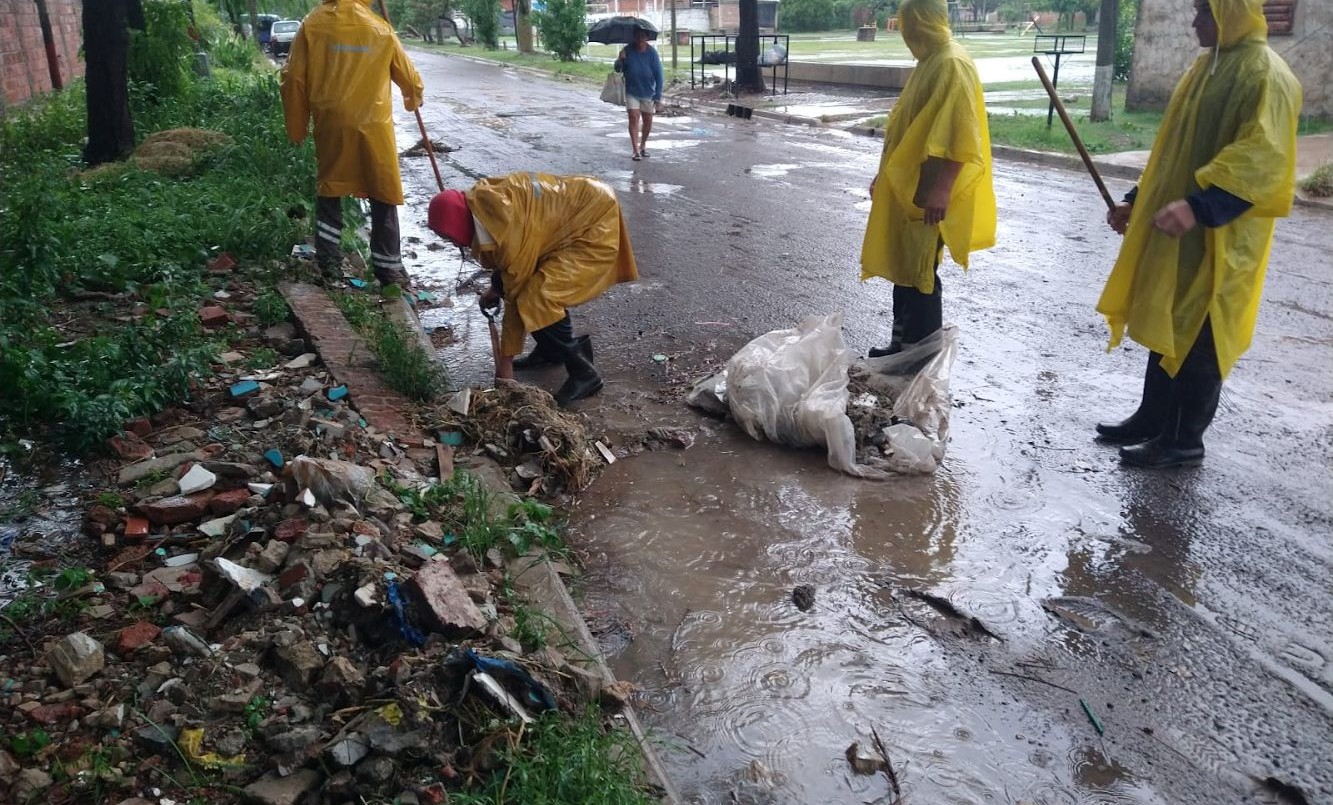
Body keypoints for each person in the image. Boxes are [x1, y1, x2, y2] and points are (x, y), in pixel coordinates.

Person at [1096, 0, 1301, 469]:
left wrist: (1200, 207)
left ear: (1230, 13)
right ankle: (1153, 419)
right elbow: (1173, 150)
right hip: (1181, 228)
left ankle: (1184, 439)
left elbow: (1263, 161)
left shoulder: (1266, 75)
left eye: (1203, 12)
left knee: (1201, 334)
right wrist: (1136, 197)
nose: (1194, 22)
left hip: (1223, 240)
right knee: (1167, 320)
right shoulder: (1204, 69)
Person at [426, 173, 639, 406]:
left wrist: (504, 367)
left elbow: (516, 283)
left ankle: (584, 373)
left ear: (460, 222)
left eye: (450, 236)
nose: (454, 243)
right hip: (573, 214)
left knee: (539, 295)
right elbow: (512, 263)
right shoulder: (483, 206)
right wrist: (496, 289)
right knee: (533, 288)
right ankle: (551, 352)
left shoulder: (506, 223)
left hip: (593, 220)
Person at [859, 0, 995, 359]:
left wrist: (943, 189)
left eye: (911, 26)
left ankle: (920, 355)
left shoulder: (952, 63)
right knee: (904, 264)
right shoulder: (930, 60)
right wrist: (883, 177)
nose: (907, 35)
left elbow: (961, 136)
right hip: (909, 188)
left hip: (929, 191)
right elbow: (906, 128)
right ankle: (901, 344)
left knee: (921, 271)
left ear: (924, 22)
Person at [281, 0, 424, 288]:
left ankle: (330, 266)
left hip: (332, 122)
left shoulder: (312, 24)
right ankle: (389, 270)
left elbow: (293, 78)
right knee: (383, 191)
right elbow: (409, 77)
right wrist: (413, 96)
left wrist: (297, 129)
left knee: (330, 189)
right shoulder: (380, 28)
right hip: (374, 127)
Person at [614, 28, 664, 161]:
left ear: (647, 38)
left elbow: (659, 75)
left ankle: (642, 145)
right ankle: (635, 150)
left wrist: (658, 97)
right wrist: (620, 59)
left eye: (643, 36)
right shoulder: (628, 50)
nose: (640, 39)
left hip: (648, 92)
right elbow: (618, 69)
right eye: (637, 36)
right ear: (634, 37)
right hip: (632, 91)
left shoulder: (652, 53)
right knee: (633, 117)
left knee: (648, 120)